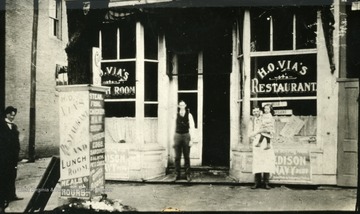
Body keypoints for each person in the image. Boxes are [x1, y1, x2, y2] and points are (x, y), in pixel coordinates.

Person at [0, 106, 23, 213]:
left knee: (12, 174)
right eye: (11, 114)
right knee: (4, 176)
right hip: (3, 157)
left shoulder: (14, 127)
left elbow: (16, 142)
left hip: (12, 157)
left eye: (14, 115)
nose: (12, 117)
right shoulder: (1, 125)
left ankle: (12, 195)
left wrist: (16, 154)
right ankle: (4, 197)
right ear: (6, 114)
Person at [249, 106, 276, 189]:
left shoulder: (265, 119)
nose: (256, 113)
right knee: (257, 162)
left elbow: (271, 129)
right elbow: (249, 133)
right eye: (254, 112)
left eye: (257, 111)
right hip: (257, 142)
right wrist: (254, 134)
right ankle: (257, 183)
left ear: (260, 111)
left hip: (265, 142)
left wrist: (263, 131)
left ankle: (266, 183)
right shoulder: (251, 121)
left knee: (266, 161)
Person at [173, 100, 195, 182]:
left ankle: (188, 174)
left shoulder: (189, 115)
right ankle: (177, 174)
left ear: (185, 105)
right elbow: (173, 127)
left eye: (183, 105)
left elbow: (192, 127)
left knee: (186, 156)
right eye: (180, 105)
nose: (182, 106)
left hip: (186, 135)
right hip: (177, 135)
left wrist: (191, 140)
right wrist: (173, 139)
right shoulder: (175, 115)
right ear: (178, 106)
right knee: (177, 157)